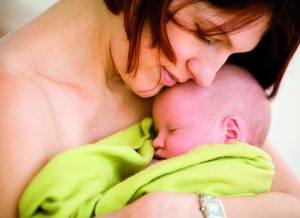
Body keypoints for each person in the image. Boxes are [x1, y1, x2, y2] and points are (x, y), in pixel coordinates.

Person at [0, 0, 299, 217]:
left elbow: (293, 205)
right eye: (206, 35)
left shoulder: (180, 91)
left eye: (229, 51)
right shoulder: (12, 106)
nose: (207, 76)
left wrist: (193, 210)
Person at [19, 64, 274, 217]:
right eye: (157, 130)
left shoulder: (246, 170)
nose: (155, 142)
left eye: (172, 130)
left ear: (230, 133)